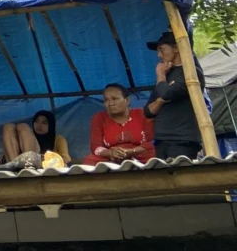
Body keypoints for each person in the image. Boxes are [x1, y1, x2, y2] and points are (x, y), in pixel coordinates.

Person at [144, 31, 205, 159]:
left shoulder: (191, 72)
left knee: (181, 177)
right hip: (161, 139)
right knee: (163, 178)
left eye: (162, 49)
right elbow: (148, 111)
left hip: (183, 139)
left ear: (176, 48)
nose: (159, 55)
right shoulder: (166, 75)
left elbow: (166, 93)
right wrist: (161, 100)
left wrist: (160, 75)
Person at [83, 84, 154, 164]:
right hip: (111, 158)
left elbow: (151, 142)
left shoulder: (143, 114)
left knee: (155, 155)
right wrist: (110, 153)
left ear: (127, 100)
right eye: (106, 100)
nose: (110, 103)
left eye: (114, 99)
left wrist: (131, 151)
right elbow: (95, 147)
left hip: (139, 155)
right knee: (89, 160)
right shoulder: (99, 118)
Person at [0, 111, 70, 164]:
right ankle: (13, 164)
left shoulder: (58, 139)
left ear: (51, 125)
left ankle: (29, 162)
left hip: (42, 163)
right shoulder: (28, 137)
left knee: (23, 126)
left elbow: (66, 158)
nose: (39, 125)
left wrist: (45, 158)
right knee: (8, 127)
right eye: (36, 121)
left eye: (44, 123)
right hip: (19, 161)